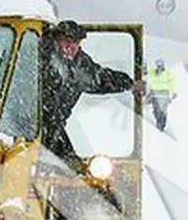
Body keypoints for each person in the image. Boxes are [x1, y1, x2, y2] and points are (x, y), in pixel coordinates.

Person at [38, 19, 138, 171]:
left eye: (75, 43)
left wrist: (129, 83)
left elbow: (101, 78)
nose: (70, 48)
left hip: (53, 129)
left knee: (74, 173)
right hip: (32, 127)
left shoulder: (79, 65)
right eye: (66, 41)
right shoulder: (41, 56)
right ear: (55, 39)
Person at [146, 59, 177, 132]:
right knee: (156, 110)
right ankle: (158, 122)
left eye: (161, 66)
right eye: (158, 65)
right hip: (155, 94)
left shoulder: (167, 73)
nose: (159, 67)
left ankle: (162, 124)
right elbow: (148, 81)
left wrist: (174, 92)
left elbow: (172, 82)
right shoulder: (152, 72)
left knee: (162, 110)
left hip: (164, 94)